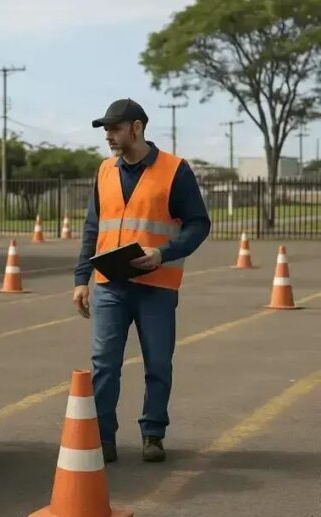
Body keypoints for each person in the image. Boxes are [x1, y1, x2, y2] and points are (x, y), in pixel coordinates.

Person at [72, 98, 211, 463]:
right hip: (108, 284)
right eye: (106, 130)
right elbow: (92, 227)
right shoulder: (104, 171)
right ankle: (103, 439)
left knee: (158, 363)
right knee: (104, 363)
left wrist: (162, 254)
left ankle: (153, 433)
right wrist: (81, 279)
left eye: (115, 128)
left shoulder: (174, 170)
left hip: (157, 285)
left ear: (137, 127)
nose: (109, 136)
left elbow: (199, 223)